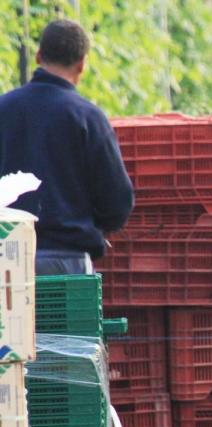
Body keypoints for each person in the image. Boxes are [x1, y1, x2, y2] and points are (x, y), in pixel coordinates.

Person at [0, 19, 134, 275]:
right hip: (68, 261)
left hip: (6, 257)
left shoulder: (3, 109)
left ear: (39, 56)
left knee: (12, 315)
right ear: (82, 64)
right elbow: (117, 201)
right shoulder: (88, 117)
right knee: (67, 316)